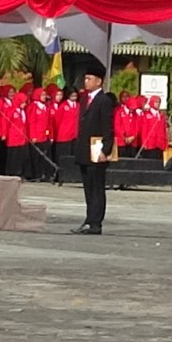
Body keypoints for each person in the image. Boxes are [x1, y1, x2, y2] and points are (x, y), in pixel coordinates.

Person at [74, 70, 117, 235]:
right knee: (88, 187)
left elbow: (108, 127)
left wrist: (105, 149)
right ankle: (89, 218)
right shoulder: (85, 99)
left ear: (99, 81)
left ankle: (96, 222)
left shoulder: (104, 100)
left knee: (97, 187)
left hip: (97, 149)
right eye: (85, 78)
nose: (86, 81)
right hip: (85, 149)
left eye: (89, 78)